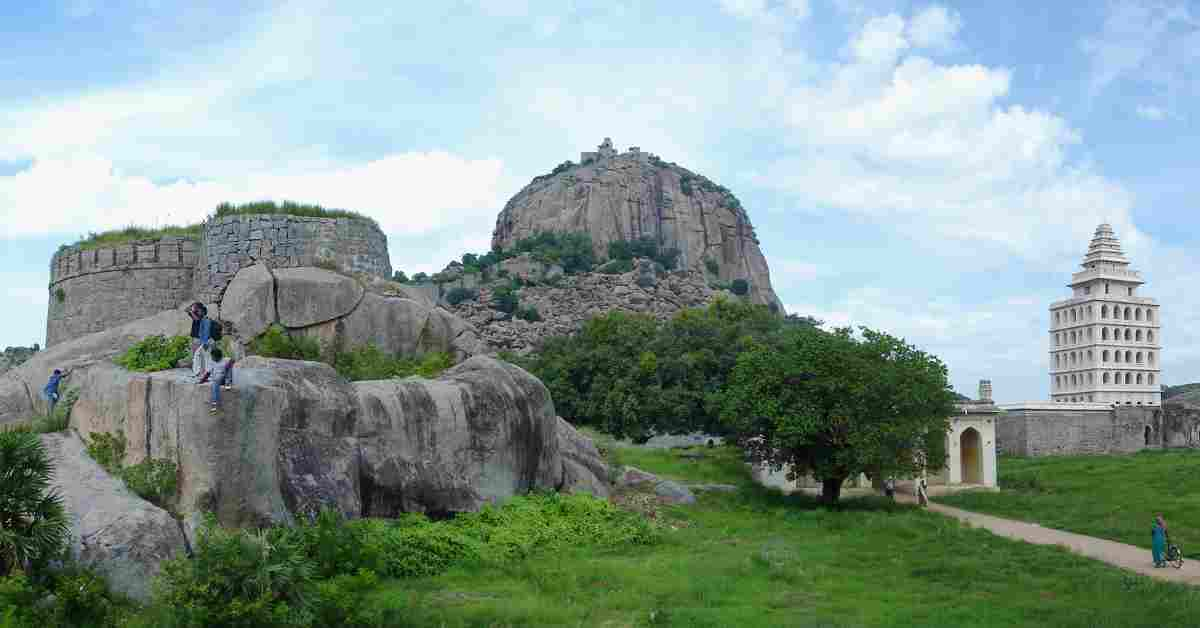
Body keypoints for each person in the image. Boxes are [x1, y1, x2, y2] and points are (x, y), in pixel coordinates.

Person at [189, 303, 213, 384]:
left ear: (203, 311)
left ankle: (204, 373)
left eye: (199, 311)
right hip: (204, 340)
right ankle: (200, 373)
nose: (197, 312)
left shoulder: (205, 320)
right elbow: (189, 312)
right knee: (200, 355)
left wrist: (205, 342)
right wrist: (193, 309)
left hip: (205, 341)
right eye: (197, 311)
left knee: (204, 356)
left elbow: (206, 332)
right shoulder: (202, 319)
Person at [208, 347, 234, 414]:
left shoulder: (225, 360)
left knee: (228, 369)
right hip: (217, 379)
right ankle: (215, 403)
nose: (212, 358)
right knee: (215, 385)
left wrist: (226, 367)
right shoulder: (212, 363)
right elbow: (208, 373)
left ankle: (228, 383)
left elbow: (232, 360)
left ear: (216, 356)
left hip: (224, 377)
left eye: (212, 356)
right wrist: (201, 381)